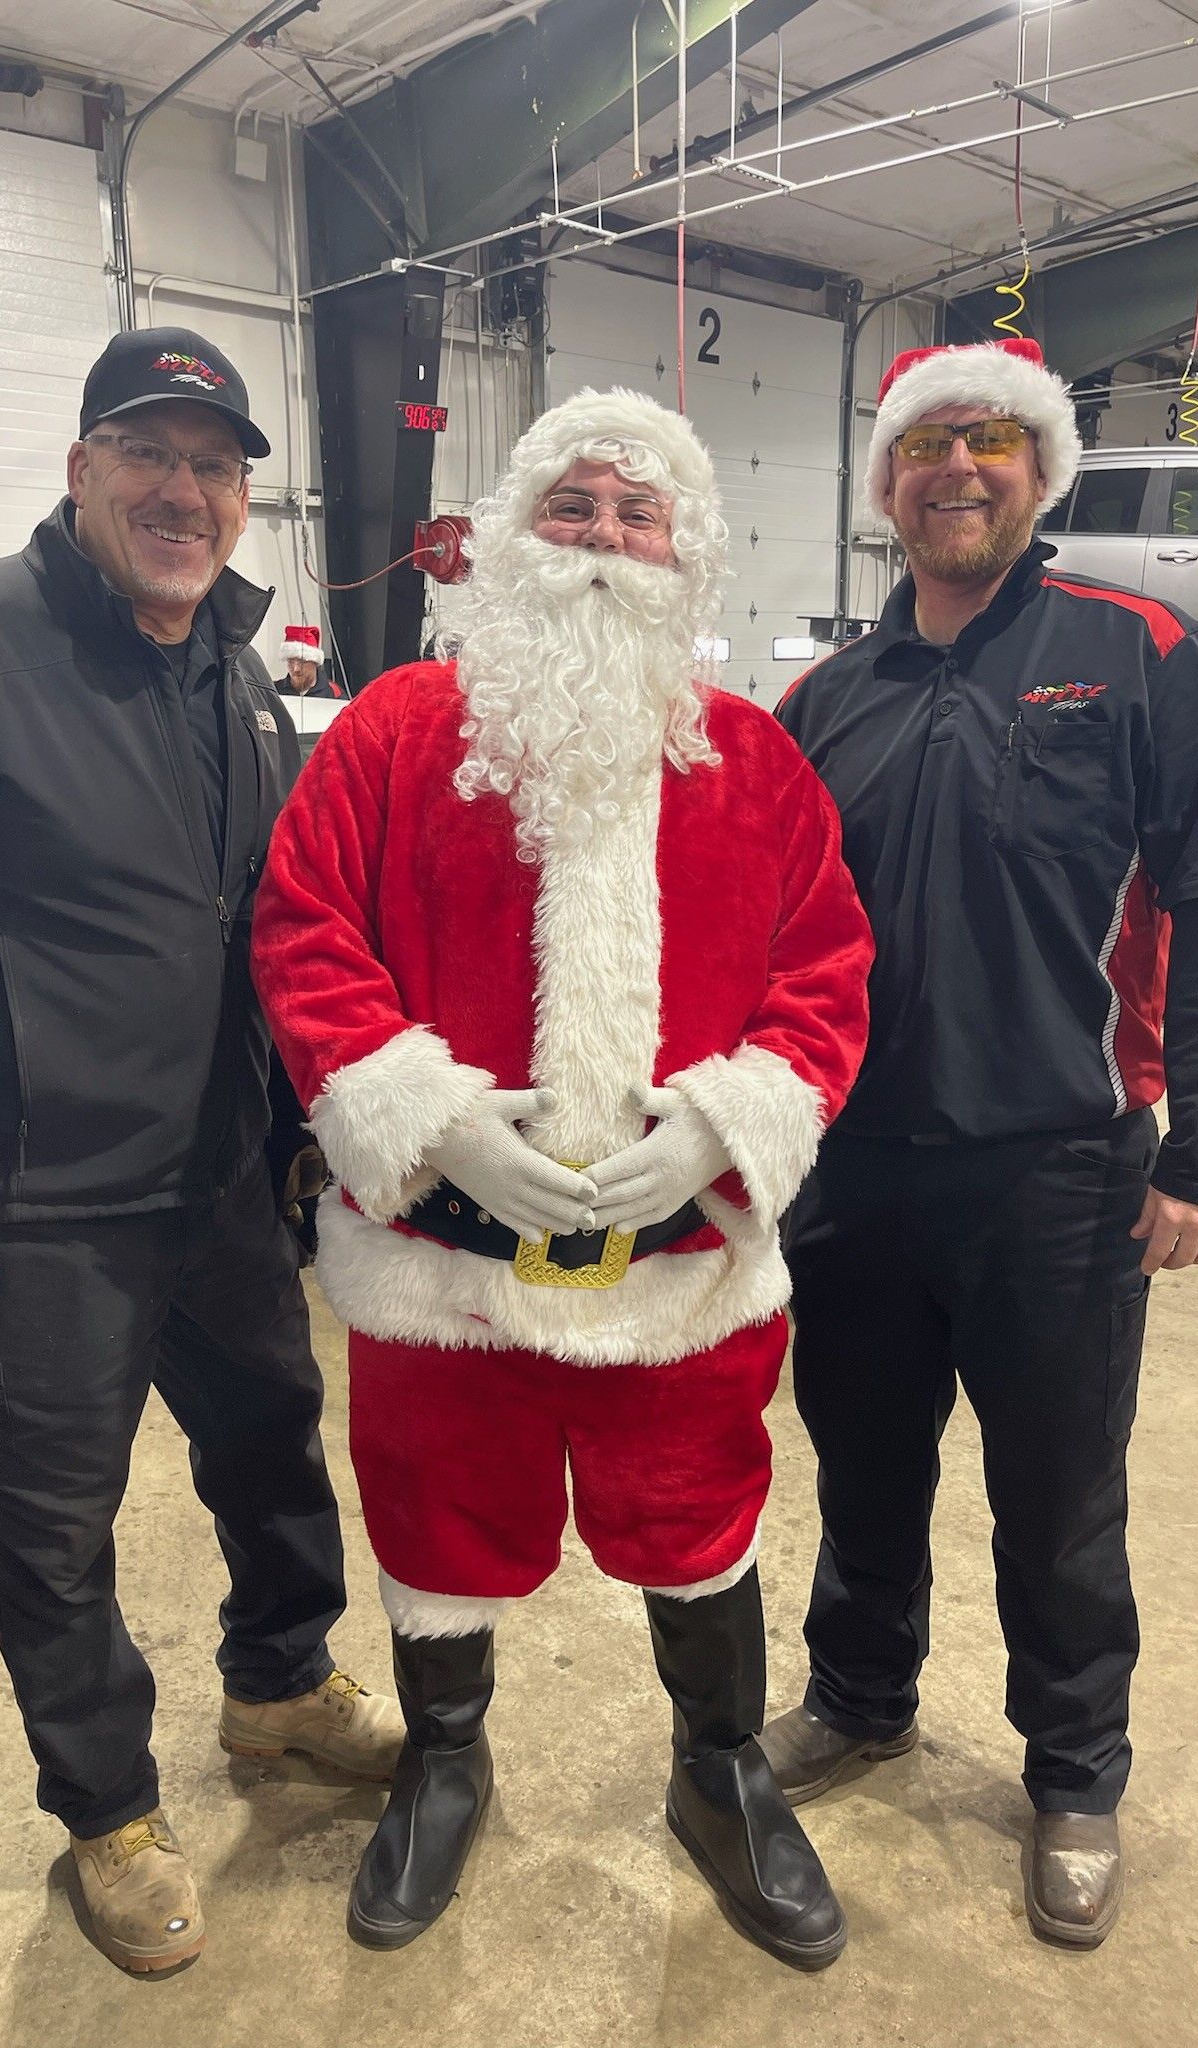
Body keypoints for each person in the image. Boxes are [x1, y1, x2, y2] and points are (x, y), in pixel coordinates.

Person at [251, 387, 875, 1968]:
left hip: (680, 1268)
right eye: (571, 506)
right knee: (433, 1519)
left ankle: (719, 1769)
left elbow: (825, 970)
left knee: (701, 1516)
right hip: (443, 1265)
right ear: (510, 537)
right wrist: (432, 1121)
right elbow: (306, 930)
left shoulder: (753, 759)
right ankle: (445, 1764)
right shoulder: (393, 733)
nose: (602, 538)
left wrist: (726, 1129)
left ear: (683, 551)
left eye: (636, 512)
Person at [0, 326, 401, 1976]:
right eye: (148, 453)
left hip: (215, 1177)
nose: (182, 491)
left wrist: (299, 1129)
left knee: (275, 1444)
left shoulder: (231, 668)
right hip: (29, 1201)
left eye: (214, 466)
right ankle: (108, 1808)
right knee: (55, 1522)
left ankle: (279, 1684)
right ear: (81, 469)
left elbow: (258, 925)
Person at [766, 337, 1198, 1949]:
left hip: (1057, 1171)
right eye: (924, 445)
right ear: (885, 485)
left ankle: (1073, 1769)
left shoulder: (1138, 655)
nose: (956, 470)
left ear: (1039, 470)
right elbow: (761, 928)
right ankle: (860, 1698)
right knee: (862, 1466)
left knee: (1058, 1500)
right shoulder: (825, 700)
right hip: (853, 1171)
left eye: (989, 439)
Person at [275, 622, 344, 700]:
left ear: (315, 662)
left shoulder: (334, 693)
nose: (296, 669)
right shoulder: (275, 691)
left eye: (302, 662)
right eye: (291, 662)